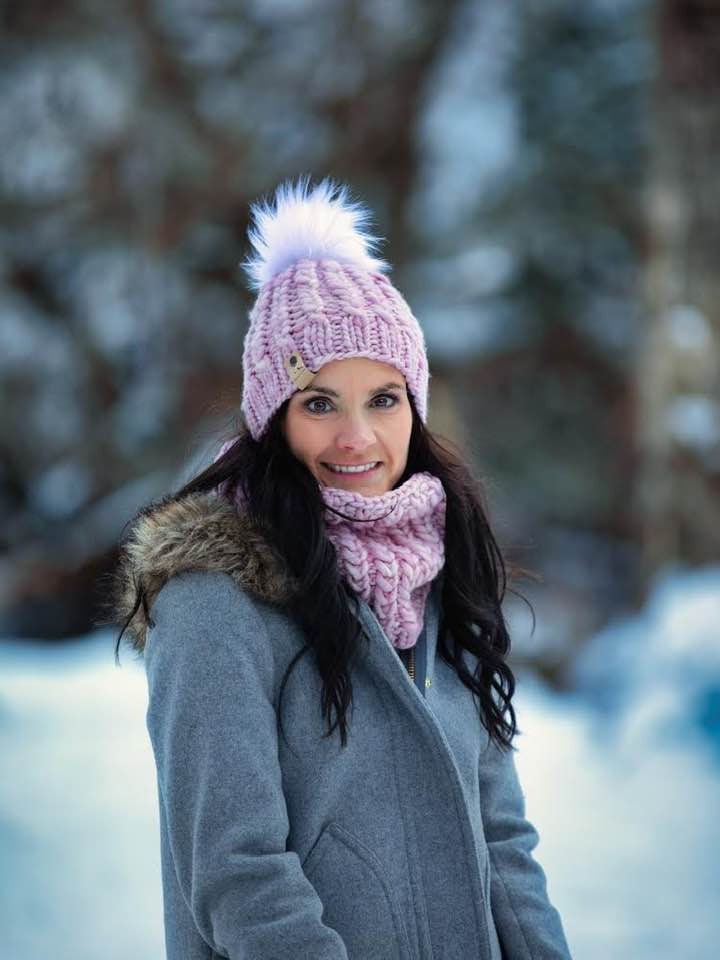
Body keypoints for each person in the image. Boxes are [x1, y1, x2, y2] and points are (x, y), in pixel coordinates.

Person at [110, 176, 573, 959]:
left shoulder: (435, 577)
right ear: (273, 417)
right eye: (320, 402)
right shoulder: (214, 601)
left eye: (384, 399)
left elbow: (503, 842)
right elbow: (236, 872)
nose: (357, 437)